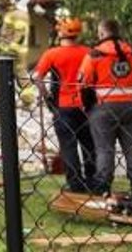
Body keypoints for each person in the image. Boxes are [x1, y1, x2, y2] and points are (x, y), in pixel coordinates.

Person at [27, 17, 95, 192]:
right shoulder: (89, 52)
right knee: (89, 143)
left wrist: (48, 97)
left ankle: (75, 184)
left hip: (63, 106)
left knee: (68, 145)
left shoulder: (52, 54)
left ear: (59, 32)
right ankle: (93, 180)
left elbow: (37, 77)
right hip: (86, 106)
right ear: (78, 33)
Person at [78, 19, 132, 196]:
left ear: (102, 33)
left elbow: (83, 84)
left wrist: (87, 107)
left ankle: (103, 186)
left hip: (103, 108)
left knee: (104, 149)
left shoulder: (95, 54)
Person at [0, 0, 31, 72]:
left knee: (20, 76)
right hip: (9, 50)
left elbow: (20, 34)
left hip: (14, 52)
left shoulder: (19, 14)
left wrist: (11, 48)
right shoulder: (14, 12)